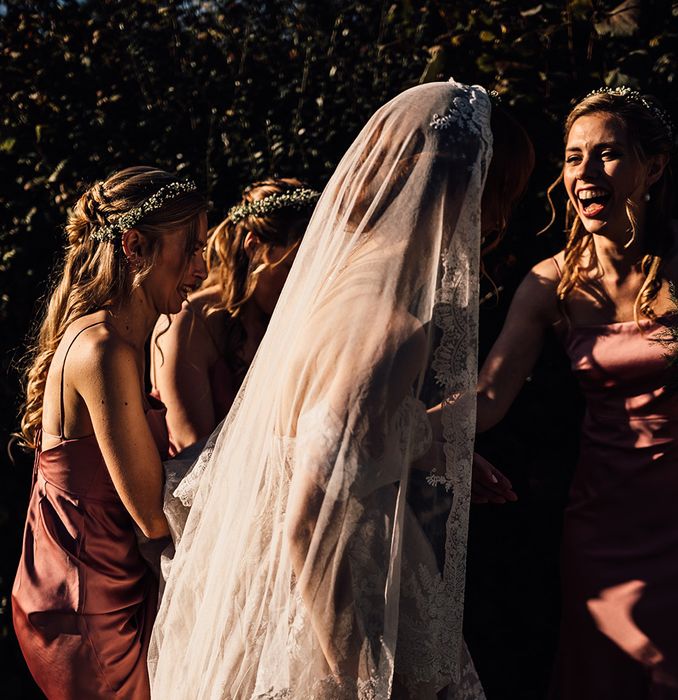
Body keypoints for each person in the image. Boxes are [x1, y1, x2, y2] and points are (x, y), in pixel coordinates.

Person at [148, 80, 534, 699]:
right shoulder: (393, 329)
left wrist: (421, 441)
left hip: (278, 590)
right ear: (472, 195)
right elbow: (309, 520)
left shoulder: (327, 295)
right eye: (502, 196)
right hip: (332, 614)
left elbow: (325, 436)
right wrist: (361, 677)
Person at [472, 86, 678, 698]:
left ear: (653, 167)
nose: (585, 173)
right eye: (573, 158)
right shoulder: (552, 280)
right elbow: (488, 401)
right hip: (602, 526)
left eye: (608, 154)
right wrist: (388, 419)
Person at [12, 166, 208, 699]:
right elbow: (149, 509)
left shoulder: (125, 335)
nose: (201, 266)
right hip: (88, 607)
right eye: (189, 248)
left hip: (104, 583)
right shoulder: (104, 350)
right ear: (135, 246)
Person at [150, 178, 318, 455]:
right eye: (290, 267)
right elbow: (190, 449)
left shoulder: (296, 319)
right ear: (253, 246)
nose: (300, 284)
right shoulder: (188, 322)